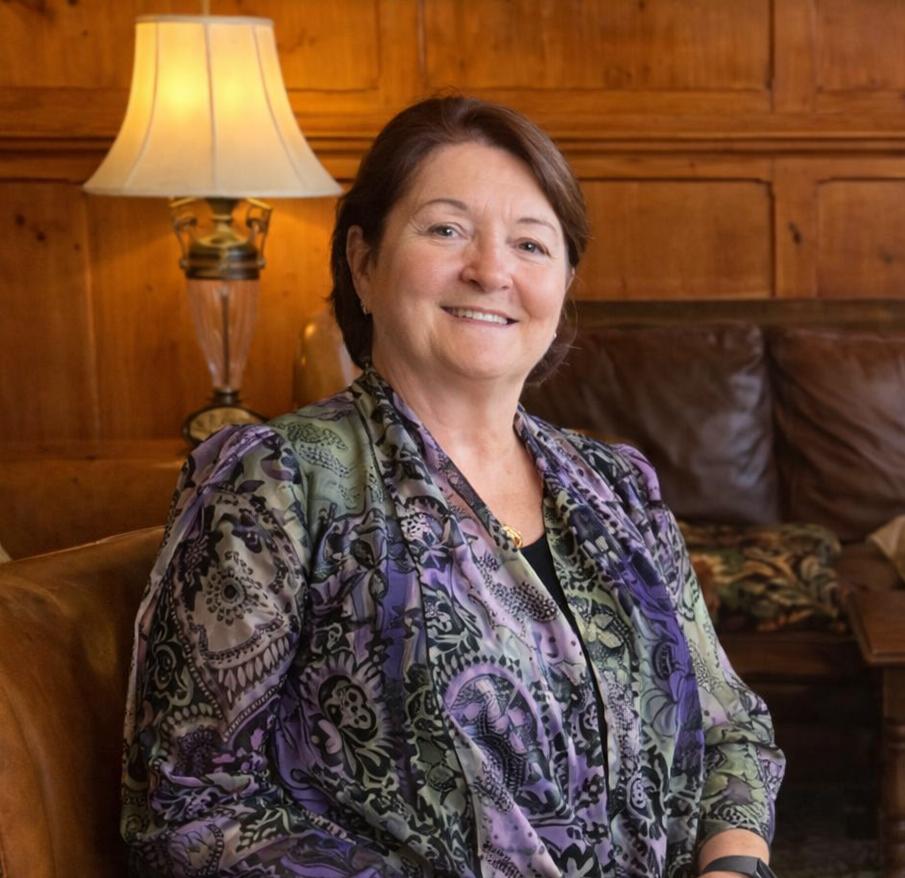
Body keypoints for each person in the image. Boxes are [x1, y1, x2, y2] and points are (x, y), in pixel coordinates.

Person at [122, 95, 784, 878]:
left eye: (531, 244)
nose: (491, 270)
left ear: (564, 282)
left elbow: (730, 727)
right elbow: (196, 811)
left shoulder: (617, 487)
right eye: (446, 229)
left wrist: (732, 866)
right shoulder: (276, 482)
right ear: (363, 263)